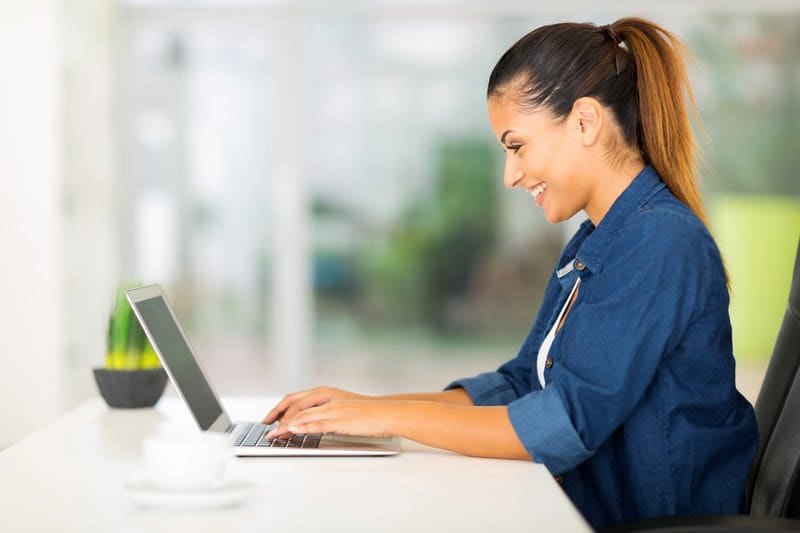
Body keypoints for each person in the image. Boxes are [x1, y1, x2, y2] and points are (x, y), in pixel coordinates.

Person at [262, 17, 758, 529]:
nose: (510, 174)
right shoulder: (597, 241)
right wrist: (368, 407)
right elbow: (524, 382)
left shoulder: (659, 242)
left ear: (585, 122)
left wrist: (388, 420)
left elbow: (562, 424)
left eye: (516, 146)